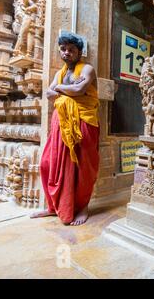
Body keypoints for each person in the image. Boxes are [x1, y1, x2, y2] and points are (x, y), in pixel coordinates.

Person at [30, 32, 100, 226]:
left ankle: (83, 207)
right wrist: (64, 88)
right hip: (61, 122)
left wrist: (59, 89)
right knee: (48, 164)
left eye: (71, 49)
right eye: (63, 49)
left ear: (79, 52)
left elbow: (79, 90)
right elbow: (48, 94)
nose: (67, 53)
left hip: (84, 122)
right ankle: (54, 207)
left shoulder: (87, 69)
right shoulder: (59, 73)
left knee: (83, 167)